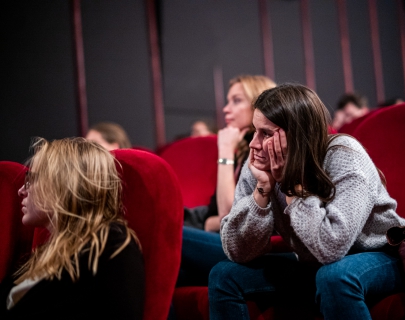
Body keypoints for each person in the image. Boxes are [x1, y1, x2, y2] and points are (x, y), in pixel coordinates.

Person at [208, 83, 405, 320]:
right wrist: (261, 191)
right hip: (314, 262)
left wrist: (292, 186)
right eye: (254, 131)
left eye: (267, 134)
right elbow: (237, 251)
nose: (253, 144)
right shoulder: (259, 165)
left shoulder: (345, 155)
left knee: (334, 275)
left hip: (381, 255)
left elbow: (331, 248)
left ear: (297, 135)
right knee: (224, 274)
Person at [0, 137, 145, 320]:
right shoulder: (42, 255)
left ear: (64, 184)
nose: (21, 190)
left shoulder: (110, 244)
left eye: (32, 179)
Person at [179, 75, 276, 287]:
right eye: (227, 101)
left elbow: (229, 215)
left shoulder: (264, 150)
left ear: (258, 105)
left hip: (241, 244)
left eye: (236, 101)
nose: (226, 109)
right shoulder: (243, 148)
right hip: (214, 229)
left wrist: (224, 151)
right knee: (169, 274)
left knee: (167, 235)